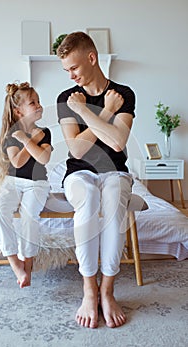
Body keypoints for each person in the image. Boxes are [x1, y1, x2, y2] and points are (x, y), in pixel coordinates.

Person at [56, 32, 135, 328]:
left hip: (115, 170)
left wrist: (89, 113)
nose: (71, 75)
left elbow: (116, 142)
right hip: (79, 172)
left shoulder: (123, 93)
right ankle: (89, 290)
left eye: (73, 68)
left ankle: (107, 290)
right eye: (66, 71)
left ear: (91, 58)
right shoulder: (67, 99)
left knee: (114, 205)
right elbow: (76, 148)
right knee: (88, 200)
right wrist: (105, 113)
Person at [0, 82, 52, 288]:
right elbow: (17, 162)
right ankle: (14, 262)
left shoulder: (44, 132)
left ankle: (28, 265)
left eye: (38, 101)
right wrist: (27, 139)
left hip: (37, 183)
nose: (38, 105)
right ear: (18, 111)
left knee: (29, 215)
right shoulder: (12, 135)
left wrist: (30, 140)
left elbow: (43, 158)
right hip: (13, 181)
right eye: (32, 103)